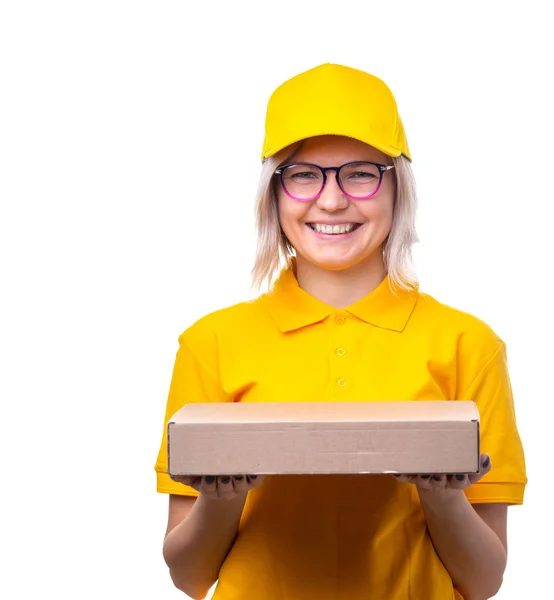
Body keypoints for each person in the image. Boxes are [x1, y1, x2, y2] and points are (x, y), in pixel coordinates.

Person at [154, 63, 527, 600]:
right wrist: (221, 497)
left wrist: (440, 496)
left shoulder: (468, 345)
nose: (331, 201)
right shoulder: (210, 343)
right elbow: (189, 578)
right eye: (304, 175)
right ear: (273, 194)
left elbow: (484, 581)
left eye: (360, 173)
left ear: (398, 188)